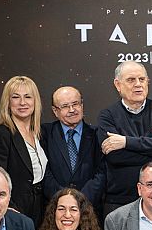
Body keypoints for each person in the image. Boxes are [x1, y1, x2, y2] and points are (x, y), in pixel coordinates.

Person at [97, 60, 152, 219]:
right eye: (131, 80)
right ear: (117, 85)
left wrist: (126, 142)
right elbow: (115, 156)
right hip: (119, 201)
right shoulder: (107, 116)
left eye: (142, 79)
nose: (138, 84)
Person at [0, 76, 48, 229]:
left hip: (41, 211)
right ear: (8, 102)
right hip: (14, 211)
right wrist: (9, 210)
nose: (22, 102)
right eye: (16, 97)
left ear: (35, 101)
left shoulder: (40, 133)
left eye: (28, 97)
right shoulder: (1, 134)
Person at [41, 86, 107, 216]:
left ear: (82, 105)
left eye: (75, 104)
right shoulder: (44, 134)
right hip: (55, 210)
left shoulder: (97, 134)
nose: (72, 110)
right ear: (55, 111)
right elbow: (43, 171)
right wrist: (63, 199)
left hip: (90, 210)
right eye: (65, 106)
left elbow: (102, 172)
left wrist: (81, 200)